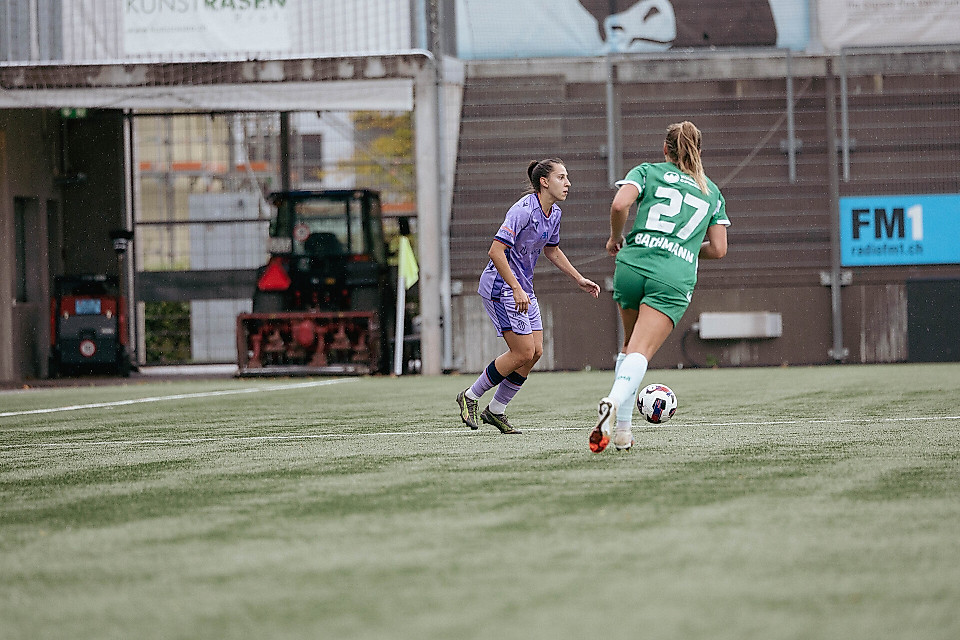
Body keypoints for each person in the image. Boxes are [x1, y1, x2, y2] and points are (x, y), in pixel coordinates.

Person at [590, 121, 729, 453]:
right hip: (672, 276)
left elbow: (620, 205)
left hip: (632, 264)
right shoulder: (711, 191)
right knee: (640, 351)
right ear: (699, 151)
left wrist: (615, 237)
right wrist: (684, 245)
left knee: (629, 346)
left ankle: (622, 432)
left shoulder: (647, 171)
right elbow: (719, 249)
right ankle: (613, 400)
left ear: (665, 149)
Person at [457, 159, 601, 434]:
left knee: (535, 353)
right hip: (501, 287)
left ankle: (496, 410)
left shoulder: (554, 213)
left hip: (522, 288)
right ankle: (470, 396)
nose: (568, 183)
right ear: (544, 182)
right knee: (522, 352)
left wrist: (578, 278)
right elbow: (495, 251)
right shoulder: (523, 211)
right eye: (561, 177)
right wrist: (515, 288)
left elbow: (552, 250)